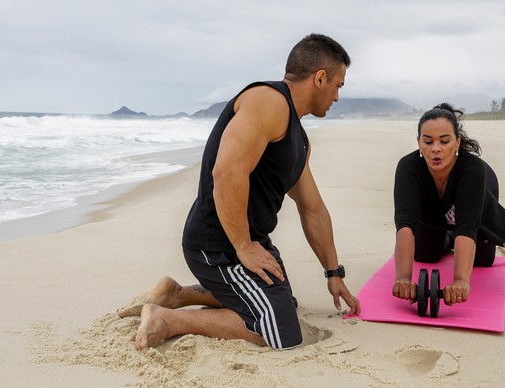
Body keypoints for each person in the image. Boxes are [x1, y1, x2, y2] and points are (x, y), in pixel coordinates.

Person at [118, 33, 360, 350]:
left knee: (286, 302)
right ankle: (167, 319)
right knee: (281, 332)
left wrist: (333, 272)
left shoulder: (299, 140)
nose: (337, 97)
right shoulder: (268, 101)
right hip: (218, 243)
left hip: (247, 241)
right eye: (338, 85)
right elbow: (227, 171)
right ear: (320, 78)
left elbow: (312, 208)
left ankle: (178, 294)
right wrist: (243, 246)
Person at [392, 103, 505, 306]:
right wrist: (403, 278)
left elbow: (468, 225)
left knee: (482, 261)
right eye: (428, 141)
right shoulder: (408, 167)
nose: (436, 149)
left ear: (457, 141)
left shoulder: (473, 169)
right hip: (434, 208)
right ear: (419, 142)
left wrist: (461, 280)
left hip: (480, 192)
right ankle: (447, 236)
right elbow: (405, 224)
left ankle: (453, 234)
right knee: (424, 255)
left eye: (444, 141)